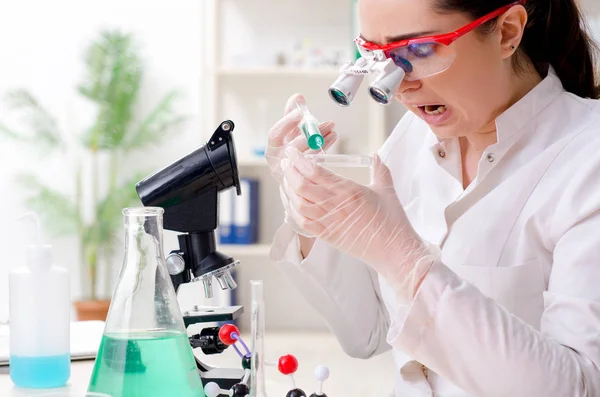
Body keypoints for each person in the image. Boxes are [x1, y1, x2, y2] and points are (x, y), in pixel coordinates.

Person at [265, 0, 600, 396]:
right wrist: (311, 212)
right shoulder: (412, 140)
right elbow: (368, 334)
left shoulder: (587, 158)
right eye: (378, 55)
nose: (399, 86)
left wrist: (405, 260)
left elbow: (580, 387)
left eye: (419, 49)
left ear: (508, 32)